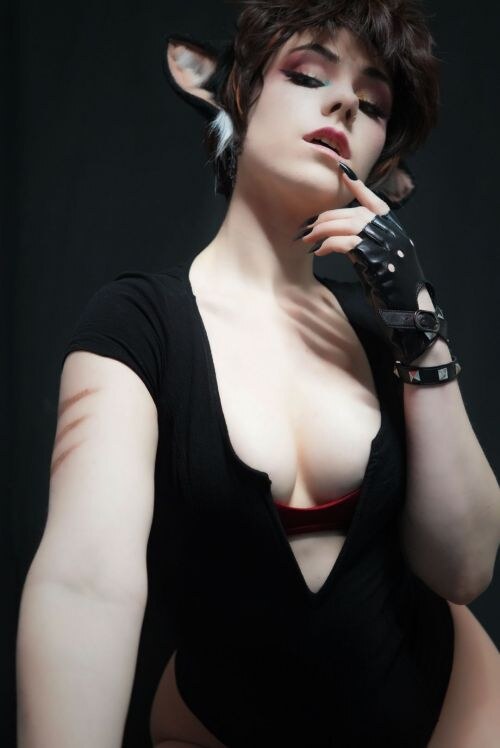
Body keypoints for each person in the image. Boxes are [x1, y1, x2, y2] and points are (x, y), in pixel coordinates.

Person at [16, 1, 500, 747]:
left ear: (381, 161)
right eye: (308, 74)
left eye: (372, 104)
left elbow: (463, 571)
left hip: (454, 710)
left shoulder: (389, 330)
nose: (344, 103)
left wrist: (419, 327)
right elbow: (86, 582)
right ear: (239, 93)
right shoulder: (140, 326)